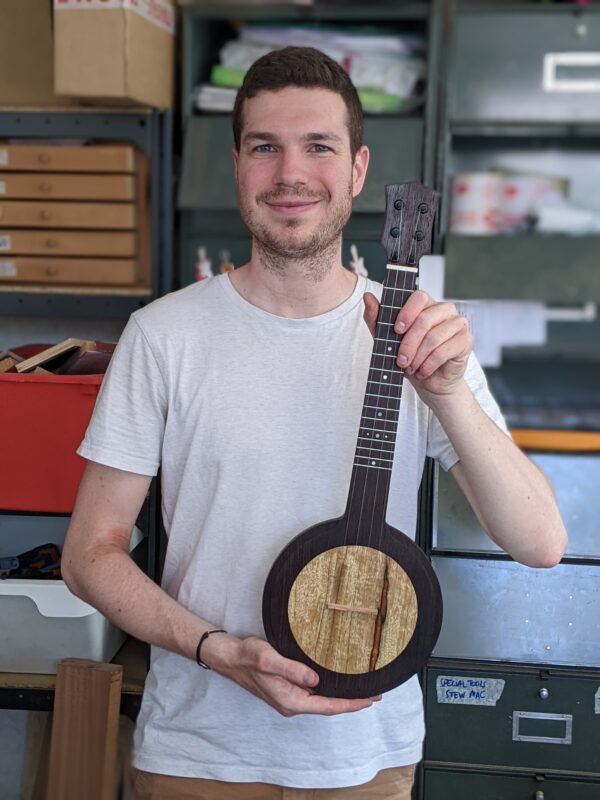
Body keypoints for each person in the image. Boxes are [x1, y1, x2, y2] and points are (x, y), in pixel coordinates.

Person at [62, 47, 568, 800]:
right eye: (266, 147)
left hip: (363, 754)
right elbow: (88, 555)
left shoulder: (419, 335)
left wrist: (450, 393)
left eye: (319, 147)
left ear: (359, 169)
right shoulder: (162, 335)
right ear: (237, 165)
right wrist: (217, 650)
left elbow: (541, 544)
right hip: (198, 750)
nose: (291, 173)